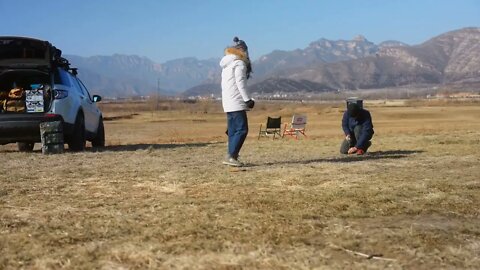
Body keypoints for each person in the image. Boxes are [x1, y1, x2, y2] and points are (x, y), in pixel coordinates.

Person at [220, 40, 255, 167]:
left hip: (228, 102)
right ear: (242, 50)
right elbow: (240, 83)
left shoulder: (226, 65)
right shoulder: (239, 64)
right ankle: (232, 156)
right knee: (242, 129)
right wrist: (247, 100)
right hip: (236, 102)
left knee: (233, 130)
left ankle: (230, 154)